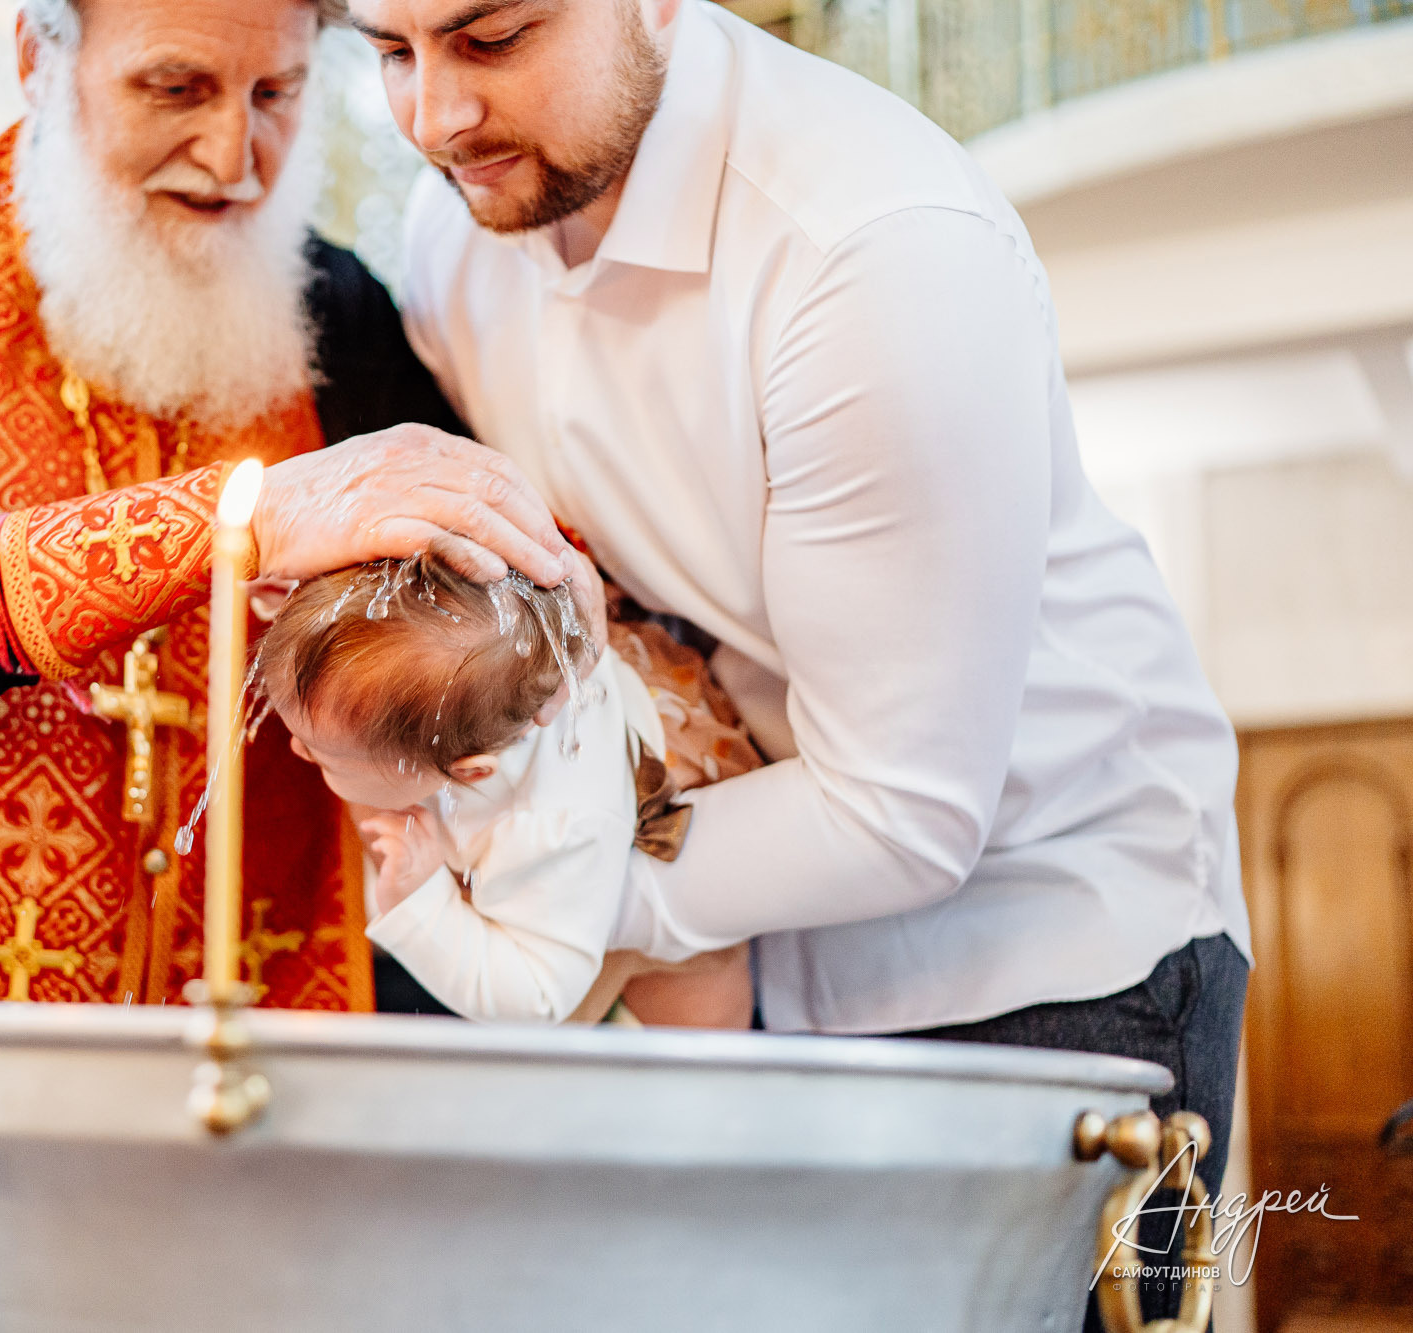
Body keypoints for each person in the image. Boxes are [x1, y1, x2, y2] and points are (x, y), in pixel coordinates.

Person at [352, 0, 1249, 1320]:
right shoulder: (454, 240)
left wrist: (538, 894)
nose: (434, 117)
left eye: (491, 39)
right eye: (388, 52)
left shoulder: (869, 244)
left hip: (1047, 953)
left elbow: (905, 810)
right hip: (770, 951)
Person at [0, 0, 581, 1010]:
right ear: (39, 56)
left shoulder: (342, 314)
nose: (232, 157)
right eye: (175, 88)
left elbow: (499, 602)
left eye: (275, 95)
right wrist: (249, 520)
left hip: (269, 1055)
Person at [260, 555, 759, 1026]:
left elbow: (540, 994)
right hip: (592, 703)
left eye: (325, 754)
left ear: (470, 771)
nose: (296, 751)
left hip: (654, 834)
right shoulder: (493, 651)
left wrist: (422, 901)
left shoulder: (550, 829)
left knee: (692, 990)